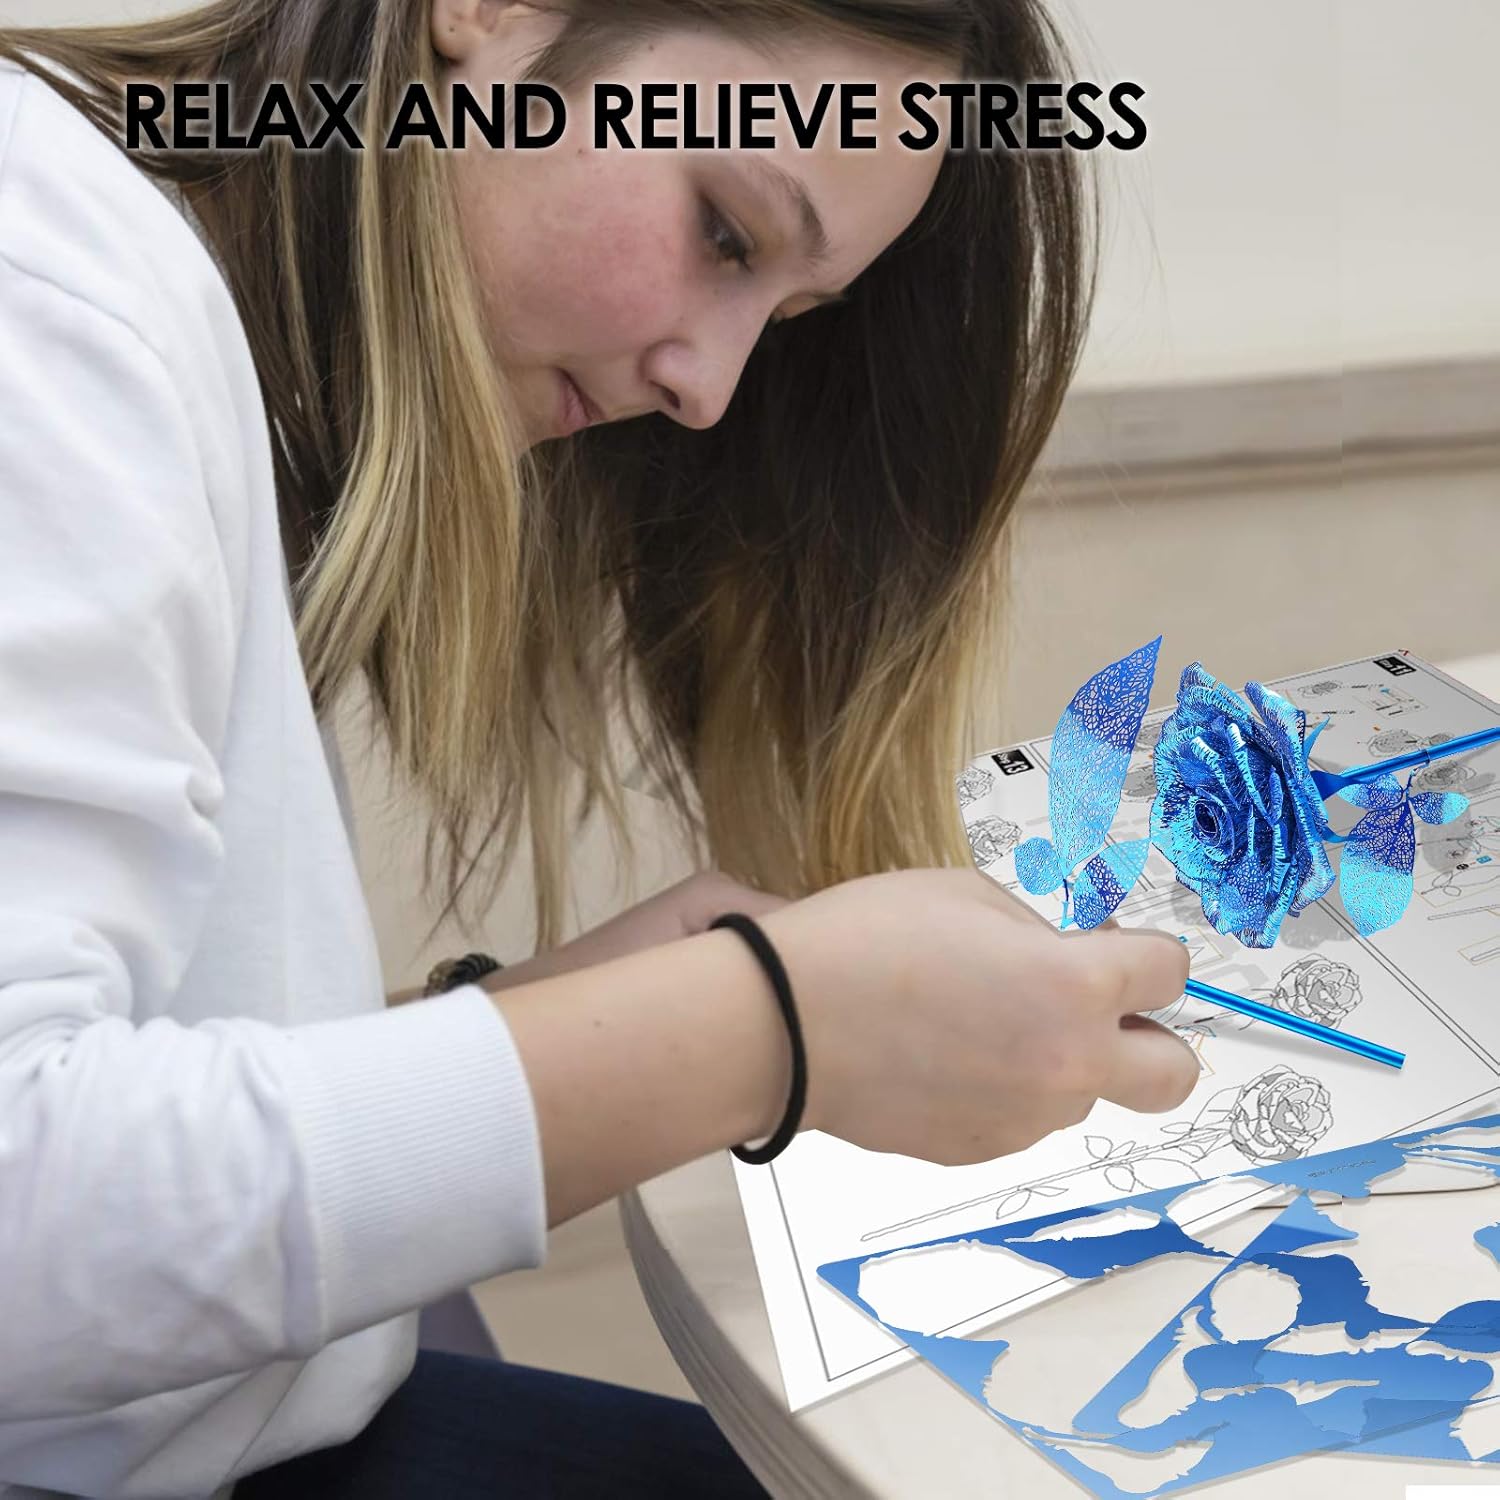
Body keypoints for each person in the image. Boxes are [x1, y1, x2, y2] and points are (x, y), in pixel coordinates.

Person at [0, 1, 1197, 1496]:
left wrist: (585, 1011)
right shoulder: (45, 303)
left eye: (789, 319)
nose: (711, 389)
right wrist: (763, 1027)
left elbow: (129, 1070)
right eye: (726, 231)